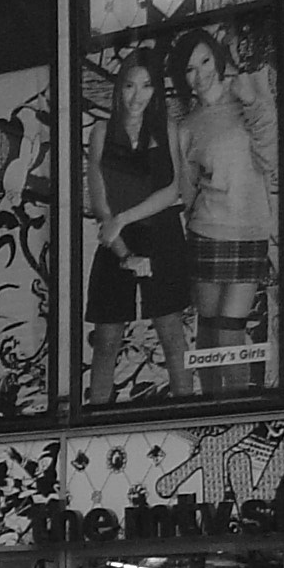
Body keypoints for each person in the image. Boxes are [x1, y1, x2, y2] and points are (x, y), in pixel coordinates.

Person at [85, 49, 193, 402]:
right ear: (119, 89)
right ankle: (96, 421)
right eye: (129, 86)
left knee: (172, 337)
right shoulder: (102, 131)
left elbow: (173, 190)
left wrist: (124, 218)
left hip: (162, 236)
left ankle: (187, 416)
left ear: (156, 91)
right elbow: (100, 203)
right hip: (116, 242)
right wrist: (123, 251)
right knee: (106, 341)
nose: (137, 95)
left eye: (146, 86)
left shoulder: (168, 129)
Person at [174, 29, 277, 395]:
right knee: (209, 325)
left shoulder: (247, 98)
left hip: (251, 229)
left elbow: (271, 156)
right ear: (181, 78)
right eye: (189, 68)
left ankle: (236, 407)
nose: (199, 73)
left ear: (217, 58)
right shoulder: (186, 126)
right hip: (206, 231)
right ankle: (210, 405)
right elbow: (186, 188)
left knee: (231, 328)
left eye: (204, 61)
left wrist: (252, 100)